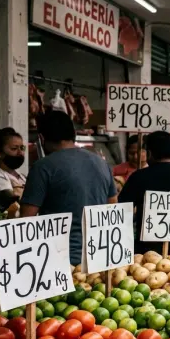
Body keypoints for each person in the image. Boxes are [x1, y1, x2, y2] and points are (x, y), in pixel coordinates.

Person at [20, 111, 117, 265]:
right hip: (99, 253)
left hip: (60, 259)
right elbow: (112, 206)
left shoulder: (43, 167)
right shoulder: (101, 163)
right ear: (73, 135)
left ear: (42, 138)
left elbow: (26, 220)